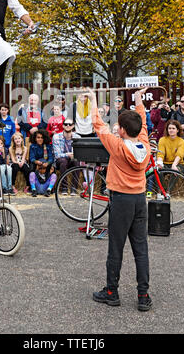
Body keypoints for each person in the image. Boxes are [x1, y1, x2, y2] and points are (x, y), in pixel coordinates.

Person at [87, 86, 152, 312]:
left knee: (116, 247)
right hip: (139, 199)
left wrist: (94, 99)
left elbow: (98, 124)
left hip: (122, 200)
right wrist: (137, 99)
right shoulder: (144, 140)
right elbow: (142, 120)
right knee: (141, 248)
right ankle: (143, 295)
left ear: (122, 130)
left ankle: (112, 292)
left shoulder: (117, 145)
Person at [52, 119, 80, 194]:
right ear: (63, 125)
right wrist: (68, 154)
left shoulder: (78, 137)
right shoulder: (56, 137)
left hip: (72, 160)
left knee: (76, 161)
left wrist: (73, 155)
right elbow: (57, 155)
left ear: (73, 126)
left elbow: (79, 153)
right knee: (63, 161)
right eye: (66, 124)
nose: (68, 126)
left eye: (70, 124)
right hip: (60, 161)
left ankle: (74, 188)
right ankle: (64, 187)